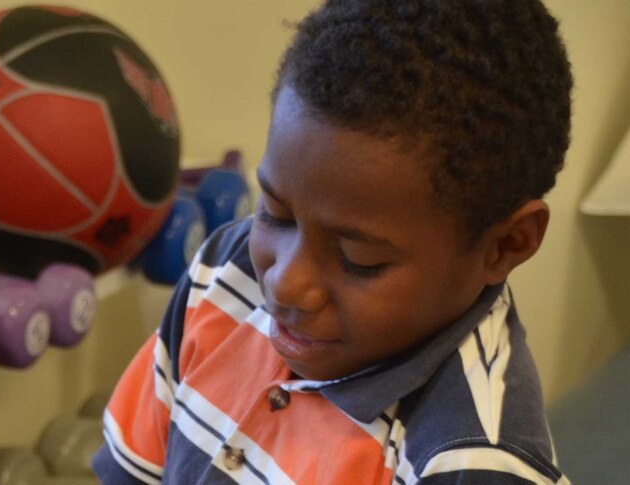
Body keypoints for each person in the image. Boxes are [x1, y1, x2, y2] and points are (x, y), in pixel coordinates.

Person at [93, 0, 573, 482]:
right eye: (275, 214)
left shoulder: (470, 462)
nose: (284, 283)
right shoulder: (226, 270)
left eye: (357, 259)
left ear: (506, 245)